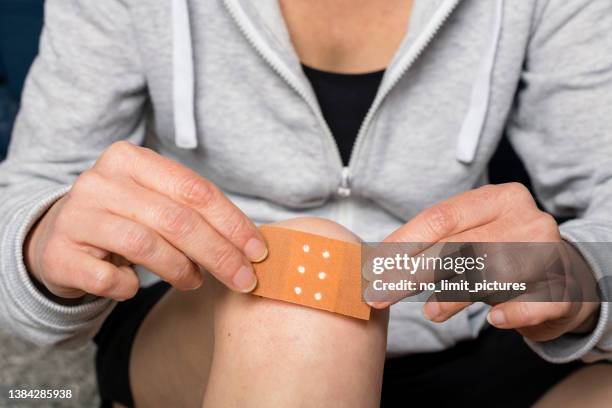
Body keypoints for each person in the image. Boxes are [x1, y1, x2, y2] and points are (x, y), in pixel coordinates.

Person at [0, 0, 611, 406]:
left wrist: (573, 276)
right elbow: (27, 195)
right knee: (312, 287)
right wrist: (44, 239)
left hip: (466, 328)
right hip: (208, 333)